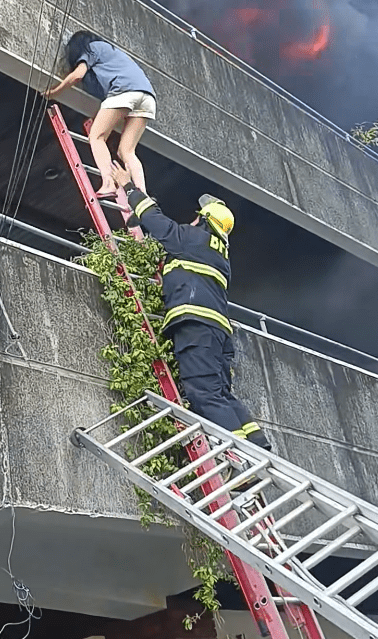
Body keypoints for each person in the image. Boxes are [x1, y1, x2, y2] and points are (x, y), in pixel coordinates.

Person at [111, 162, 271, 449]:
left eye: (198, 218)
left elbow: (161, 225)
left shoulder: (193, 239)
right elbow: (167, 242)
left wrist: (130, 189)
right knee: (221, 393)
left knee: (204, 395)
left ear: (206, 222)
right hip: (218, 333)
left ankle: (241, 460)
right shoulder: (219, 255)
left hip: (196, 328)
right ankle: (256, 440)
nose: (193, 221)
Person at [43, 30, 155, 197]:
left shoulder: (92, 48)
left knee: (97, 136)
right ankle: (143, 196)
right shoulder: (113, 54)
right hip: (148, 97)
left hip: (124, 92)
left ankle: (109, 183)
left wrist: (55, 91)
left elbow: (77, 75)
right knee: (126, 151)